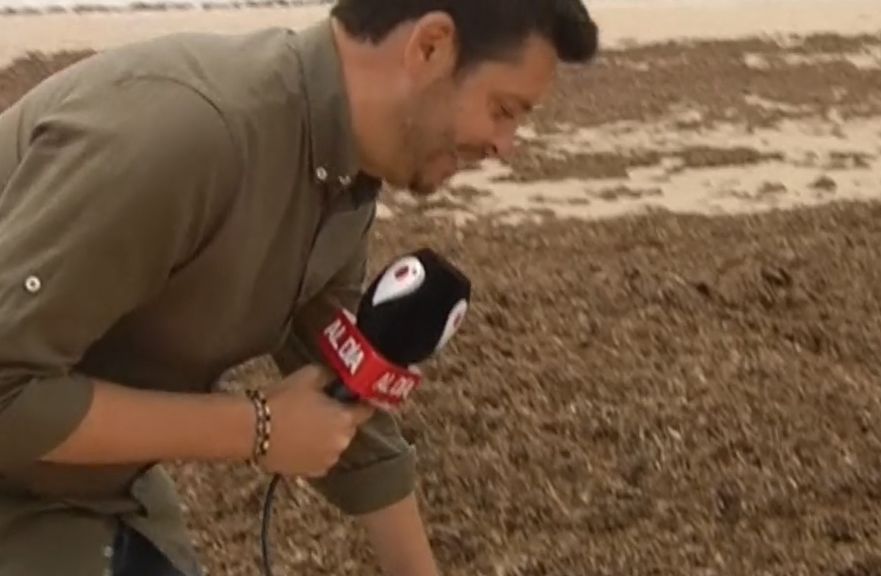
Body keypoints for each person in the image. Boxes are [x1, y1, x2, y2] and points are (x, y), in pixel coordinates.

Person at [0, 0, 599, 574]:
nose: (506, 147)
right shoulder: (195, 136)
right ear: (431, 46)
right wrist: (255, 428)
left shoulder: (343, 170)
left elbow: (344, 382)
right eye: (504, 109)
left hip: (95, 493)